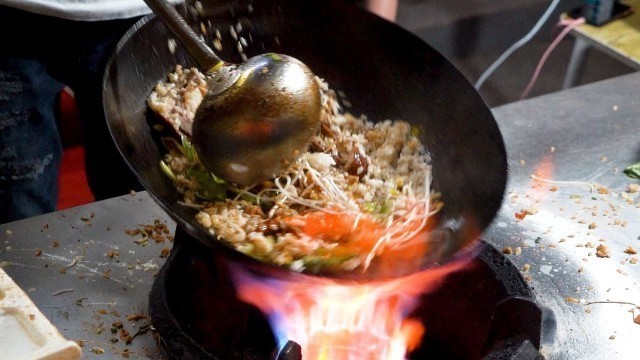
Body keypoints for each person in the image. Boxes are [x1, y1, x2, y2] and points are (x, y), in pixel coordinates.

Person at [0, 0, 398, 224]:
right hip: (12, 15)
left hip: (147, 16)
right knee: (15, 209)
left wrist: (374, 31)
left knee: (133, 209)